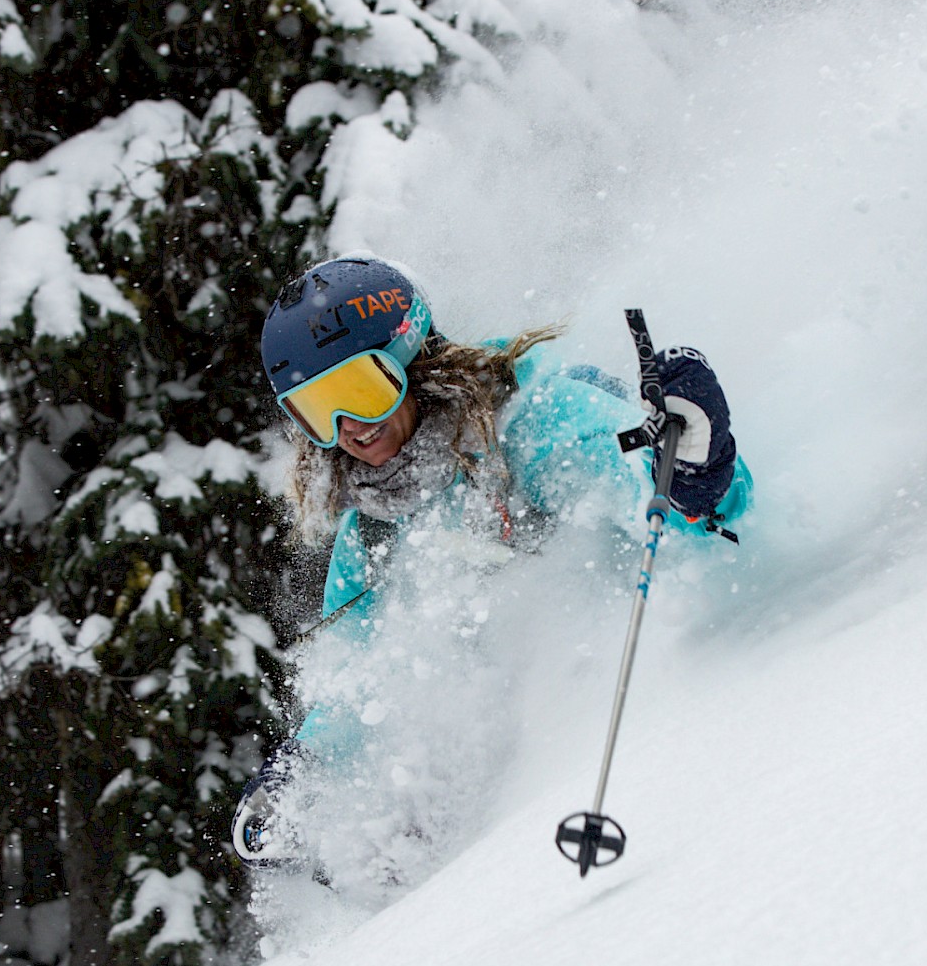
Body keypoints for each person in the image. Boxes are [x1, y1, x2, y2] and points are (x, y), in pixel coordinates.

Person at [232, 255, 751, 869]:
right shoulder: (369, 533)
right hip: (501, 797)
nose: (348, 427)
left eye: (360, 392)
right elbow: (365, 679)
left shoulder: (532, 424)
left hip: (644, 719)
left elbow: (683, 529)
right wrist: (308, 768)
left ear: (414, 359)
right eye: (318, 410)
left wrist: (697, 475)